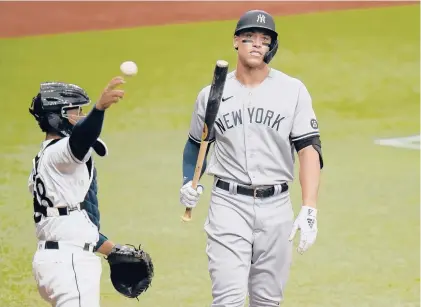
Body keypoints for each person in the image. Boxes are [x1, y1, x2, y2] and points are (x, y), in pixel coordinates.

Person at [179, 9, 324, 307]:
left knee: (268, 301)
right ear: (236, 41)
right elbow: (197, 143)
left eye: (264, 39)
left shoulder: (292, 90)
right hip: (228, 204)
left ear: (271, 47)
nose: (257, 44)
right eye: (249, 38)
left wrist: (309, 208)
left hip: (277, 207)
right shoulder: (211, 94)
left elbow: (309, 148)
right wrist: (187, 183)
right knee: (227, 300)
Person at [28, 77, 125, 307]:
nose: (80, 116)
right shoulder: (60, 152)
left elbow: (72, 223)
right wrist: (99, 109)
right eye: (75, 111)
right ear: (57, 117)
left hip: (54, 261)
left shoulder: (41, 161)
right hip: (69, 263)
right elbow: (81, 140)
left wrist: (113, 251)